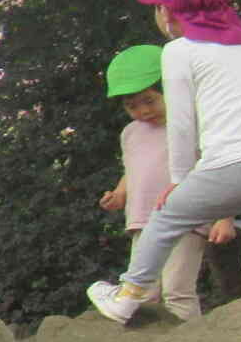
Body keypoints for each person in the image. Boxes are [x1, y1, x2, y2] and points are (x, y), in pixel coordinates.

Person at [89, 0, 241, 325]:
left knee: (165, 218)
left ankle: (126, 297)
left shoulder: (180, 51)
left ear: (169, 11)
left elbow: (181, 125)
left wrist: (179, 180)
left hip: (228, 166)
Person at [96, 43, 225, 322]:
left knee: (178, 290)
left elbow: (218, 170)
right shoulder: (130, 133)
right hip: (143, 221)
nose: (143, 111)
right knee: (142, 292)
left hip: (185, 220)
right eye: (132, 106)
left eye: (150, 101)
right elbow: (132, 168)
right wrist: (119, 193)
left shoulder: (193, 124)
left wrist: (223, 217)